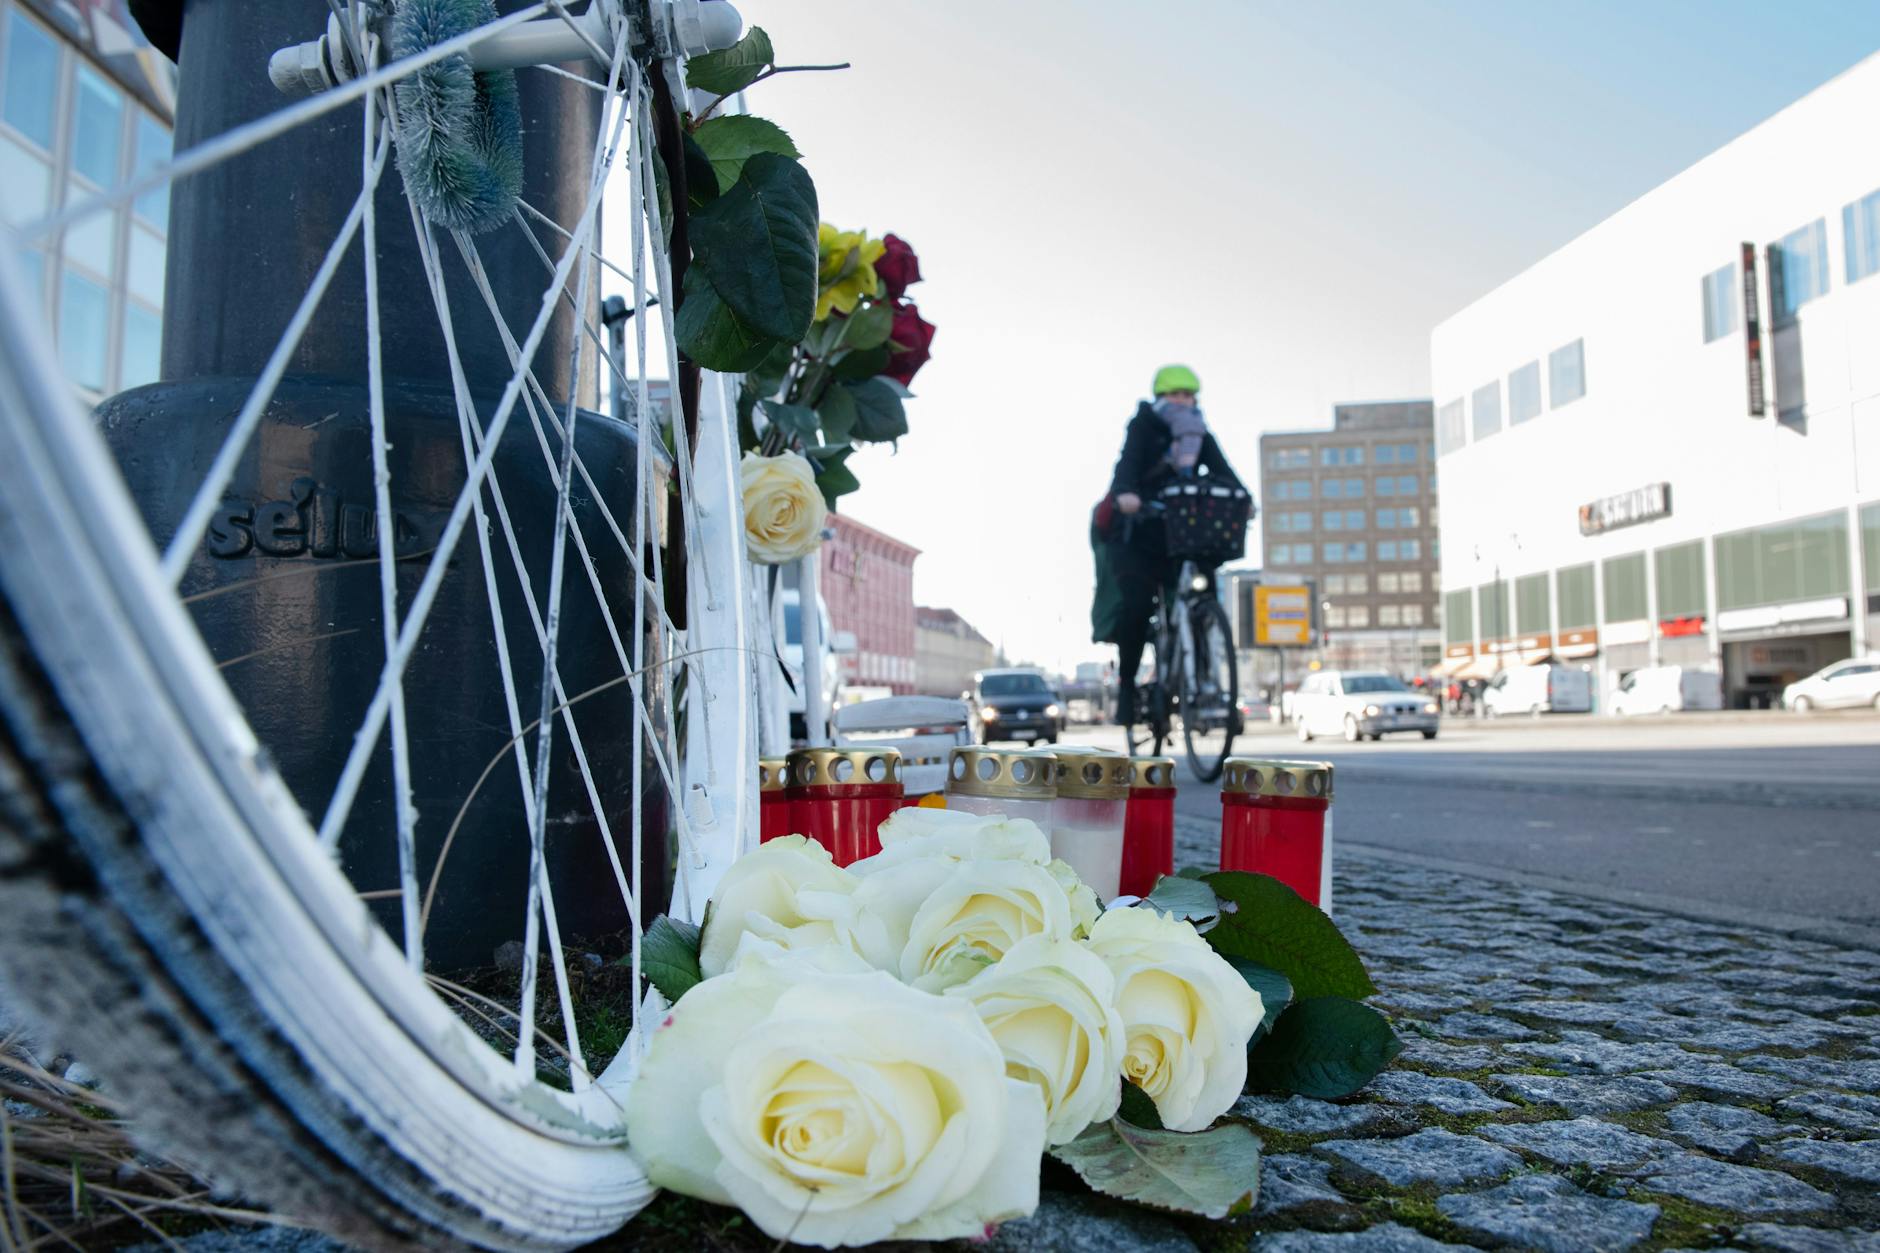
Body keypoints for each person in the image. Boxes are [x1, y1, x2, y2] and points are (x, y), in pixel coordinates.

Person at [1098, 364, 1244, 725]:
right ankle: (1129, 687)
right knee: (1135, 606)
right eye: (1175, 395)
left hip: (1181, 534)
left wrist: (1243, 496)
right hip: (1139, 530)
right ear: (1160, 398)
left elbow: (1224, 472)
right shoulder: (1144, 425)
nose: (1183, 402)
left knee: (1202, 594)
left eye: (1188, 396)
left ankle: (1206, 680)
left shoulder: (1199, 434)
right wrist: (1127, 494)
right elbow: (1127, 465)